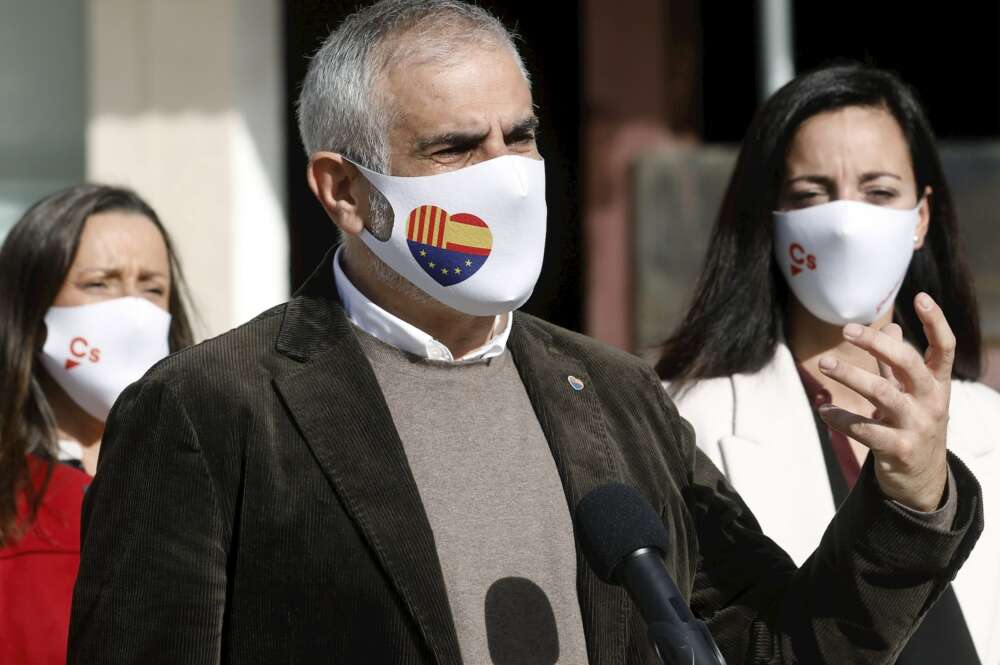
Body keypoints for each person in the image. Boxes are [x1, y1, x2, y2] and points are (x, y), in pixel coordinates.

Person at [68, 4, 982, 664]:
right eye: (458, 148)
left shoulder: (617, 396)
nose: (506, 177)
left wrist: (908, 500)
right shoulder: (211, 408)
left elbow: (775, 644)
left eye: (523, 135)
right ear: (344, 192)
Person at [658, 63, 999, 664]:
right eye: (812, 194)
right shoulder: (687, 423)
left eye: (879, 192)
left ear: (920, 218)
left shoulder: (989, 422)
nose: (845, 224)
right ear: (771, 217)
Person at [0, 184, 195, 664]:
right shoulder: (12, 497)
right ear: (32, 306)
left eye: (152, 288)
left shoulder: (204, 478)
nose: (132, 312)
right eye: (99, 284)